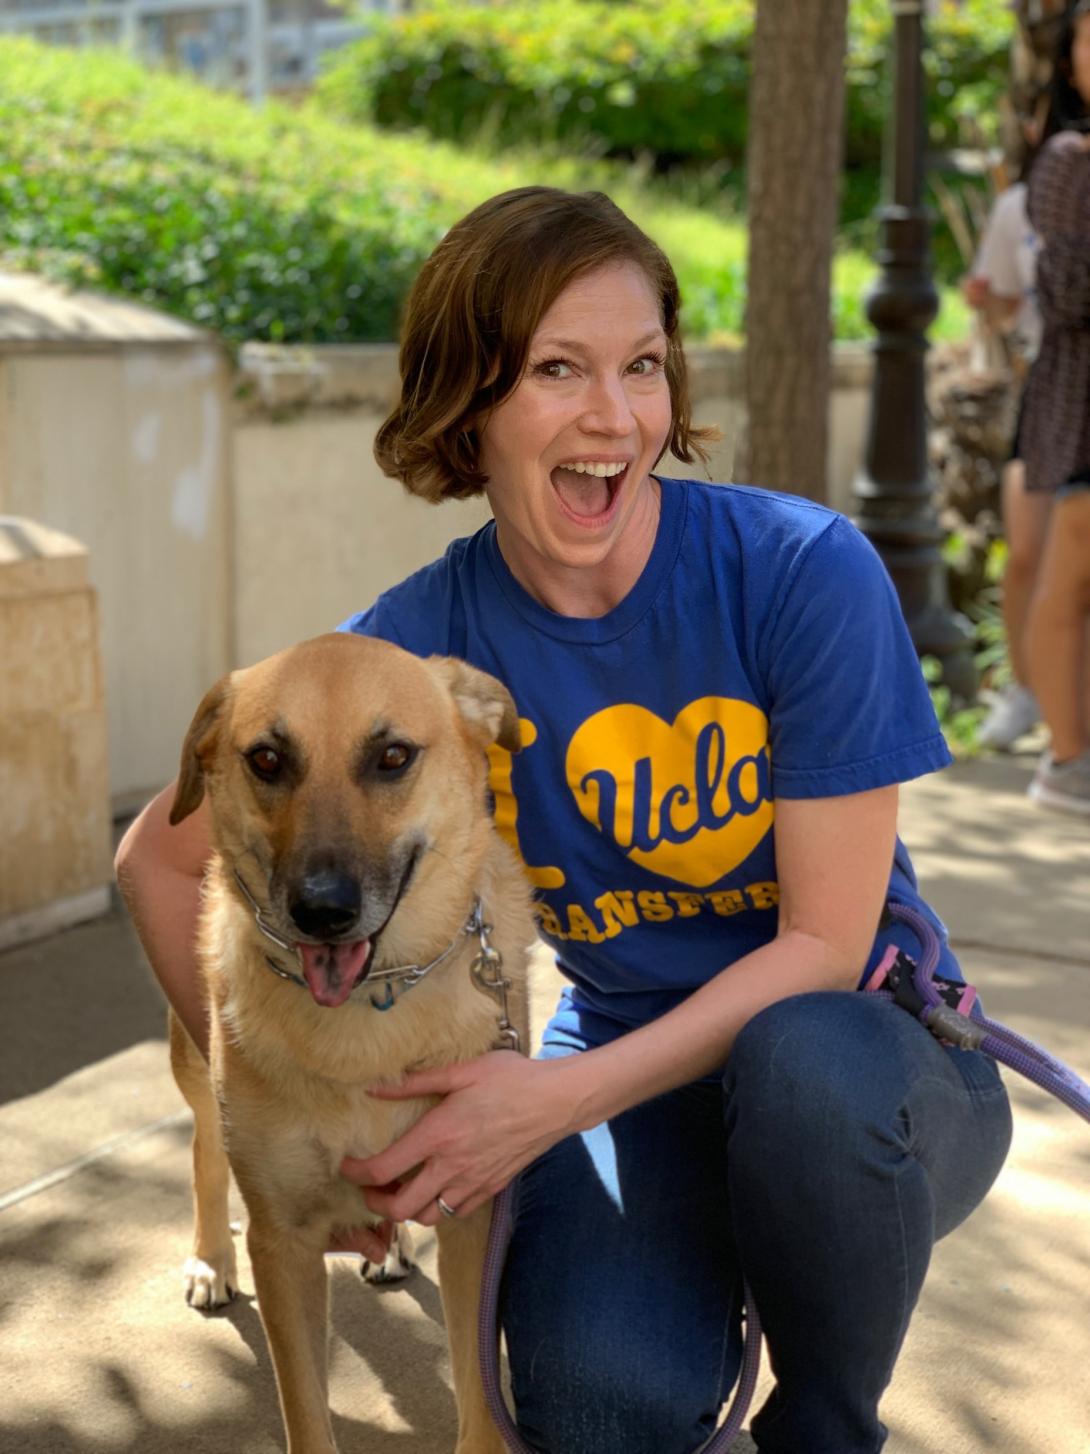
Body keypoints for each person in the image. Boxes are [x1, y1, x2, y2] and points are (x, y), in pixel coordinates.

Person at [116, 187, 1014, 1454]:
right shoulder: (407, 659)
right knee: (595, 1411)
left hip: (874, 1072)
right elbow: (156, 861)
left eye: (642, 365)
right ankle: (711, 1264)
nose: (614, 415)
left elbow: (819, 946)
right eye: (557, 368)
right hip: (633, 1084)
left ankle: (822, 1419)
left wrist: (542, 1102)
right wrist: (273, 1110)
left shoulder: (801, 570)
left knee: (805, 1066)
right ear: (466, 405)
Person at [1022, 2, 1090, 813]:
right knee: (1068, 575)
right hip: (1079, 409)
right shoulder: (1069, 160)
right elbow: (1068, 291)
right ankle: (1068, 762)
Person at [962, 161, 1044, 749]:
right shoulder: (1025, 202)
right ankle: (1026, 689)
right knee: (1027, 551)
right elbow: (1005, 308)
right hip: (1053, 389)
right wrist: (987, 303)